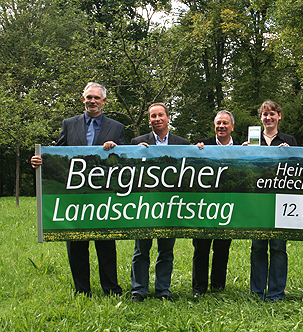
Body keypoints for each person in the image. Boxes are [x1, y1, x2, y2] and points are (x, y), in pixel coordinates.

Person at [31, 82, 125, 296]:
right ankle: (82, 290)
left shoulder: (117, 127)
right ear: (83, 99)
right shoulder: (68, 124)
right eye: (89, 97)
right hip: (74, 195)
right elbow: (58, 155)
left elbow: (123, 162)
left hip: (103, 195)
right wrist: (40, 161)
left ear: (104, 102)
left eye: (97, 98)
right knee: (76, 245)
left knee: (106, 244)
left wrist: (115, 150)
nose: (92, 101)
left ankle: (111, 289)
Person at [130, 102, 189, 302]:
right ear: (149, 120)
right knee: (141, 250)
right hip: (144, 205)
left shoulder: (182, 143)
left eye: (160, 115)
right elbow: (128, 172)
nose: (157, 119)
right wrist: (135, 154)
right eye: (153, 116)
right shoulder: (137, 142)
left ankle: (163, 290)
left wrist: (199, 150)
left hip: (171, 206)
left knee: (166, 251)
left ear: (168, 118)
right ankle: (139, 290)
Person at [247, 100, 297, 301]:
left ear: (279, 116)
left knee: (278, 247)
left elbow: (299, 170)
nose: (268, 118)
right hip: (258, 203)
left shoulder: (290, 140)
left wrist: (290, 154)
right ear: (261, 118)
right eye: (265, 114)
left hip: (280, 202)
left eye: (272, 114)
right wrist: (243, 151)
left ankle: (276, 292)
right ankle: (257, 291)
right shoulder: (251, 140)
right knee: (258, 246)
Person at [191, 110, 238, 298]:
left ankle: (218, 287)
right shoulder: (203, 145)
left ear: (232, 127)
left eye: (225, 123)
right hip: (205, 206)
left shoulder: (243, 147)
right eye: (218, 123)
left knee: (222, 248)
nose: (221, 126)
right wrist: (195, 151)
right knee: (201, 248)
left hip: (229, 206)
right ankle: (198, 288)